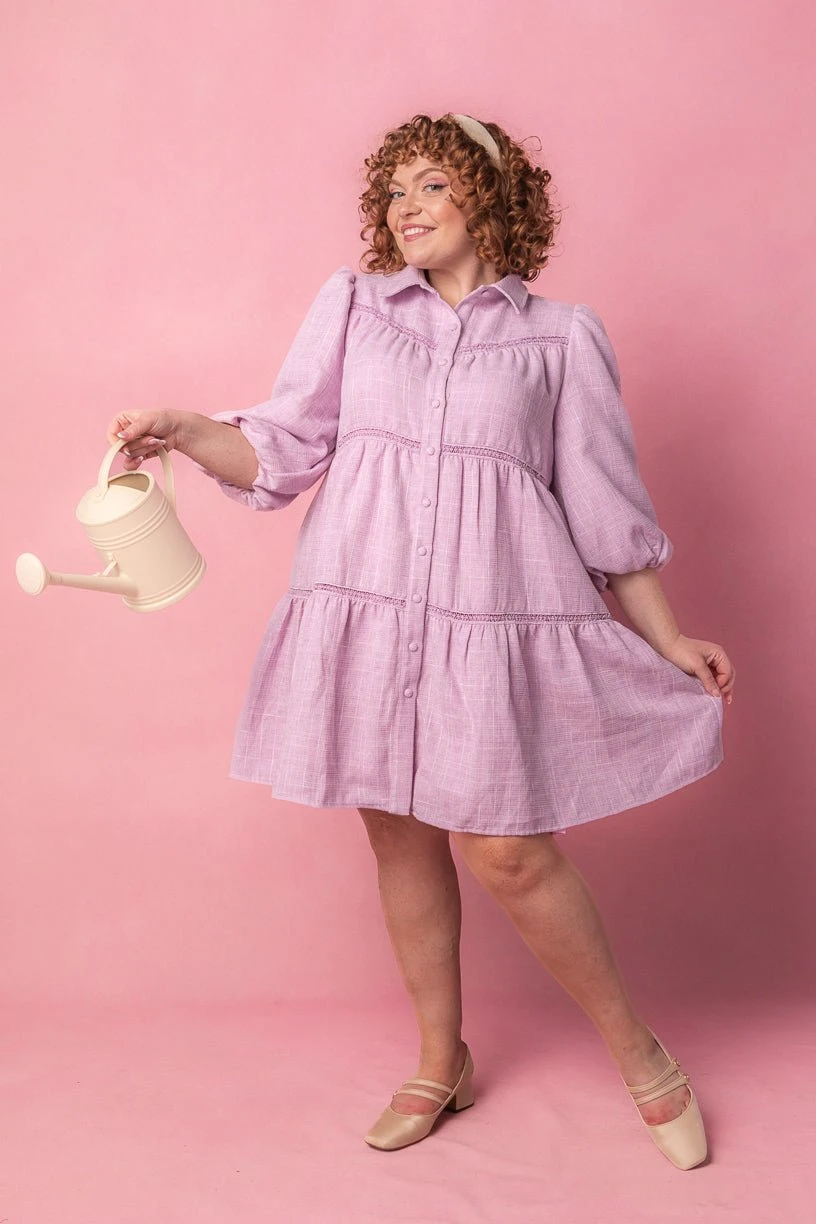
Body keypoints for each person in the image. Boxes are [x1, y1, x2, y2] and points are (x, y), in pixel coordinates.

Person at [105, 112, 736, 1170]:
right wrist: (183, 426)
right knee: (397, 836)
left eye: (431, 184)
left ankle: (640, 1052)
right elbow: (283, 447)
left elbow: (603, 506)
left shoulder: (561, 338)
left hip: (491, 624)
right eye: (393, 190)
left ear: (490, 197)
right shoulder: (354, 308)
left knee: (509, 850)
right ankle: (442, 1062)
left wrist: (668, 638)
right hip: (370, 610)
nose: (405, 206)